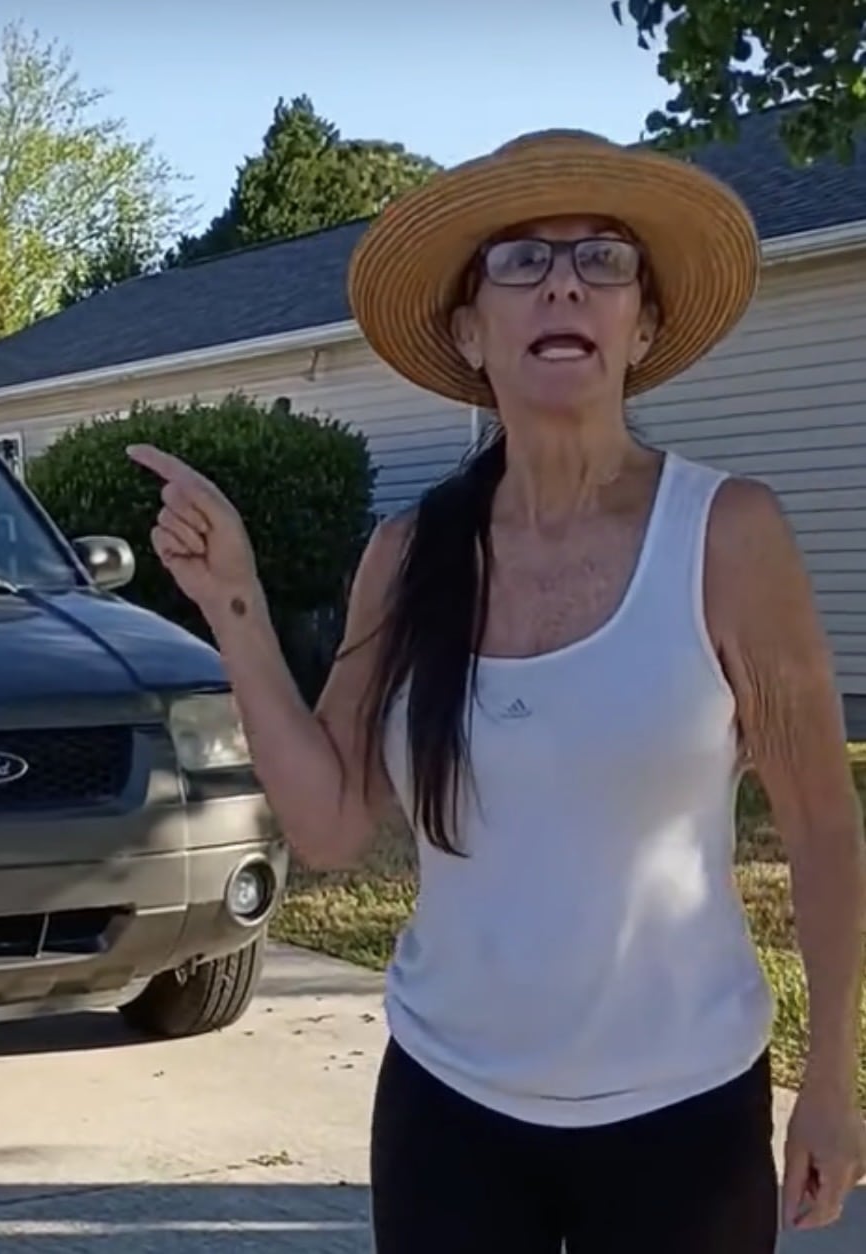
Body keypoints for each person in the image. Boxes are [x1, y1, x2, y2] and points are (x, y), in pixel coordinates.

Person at [127, 128, 866, 1252]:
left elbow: (818, 824)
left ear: (643, 324)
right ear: (471, 333)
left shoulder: (728, 535)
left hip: (684, 1111)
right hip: (450, 1111)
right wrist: (233, 601)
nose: (563, 283)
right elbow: (329, 826)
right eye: (521, 260)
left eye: (603, 259)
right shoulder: (409, 553)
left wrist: (833, 1079)